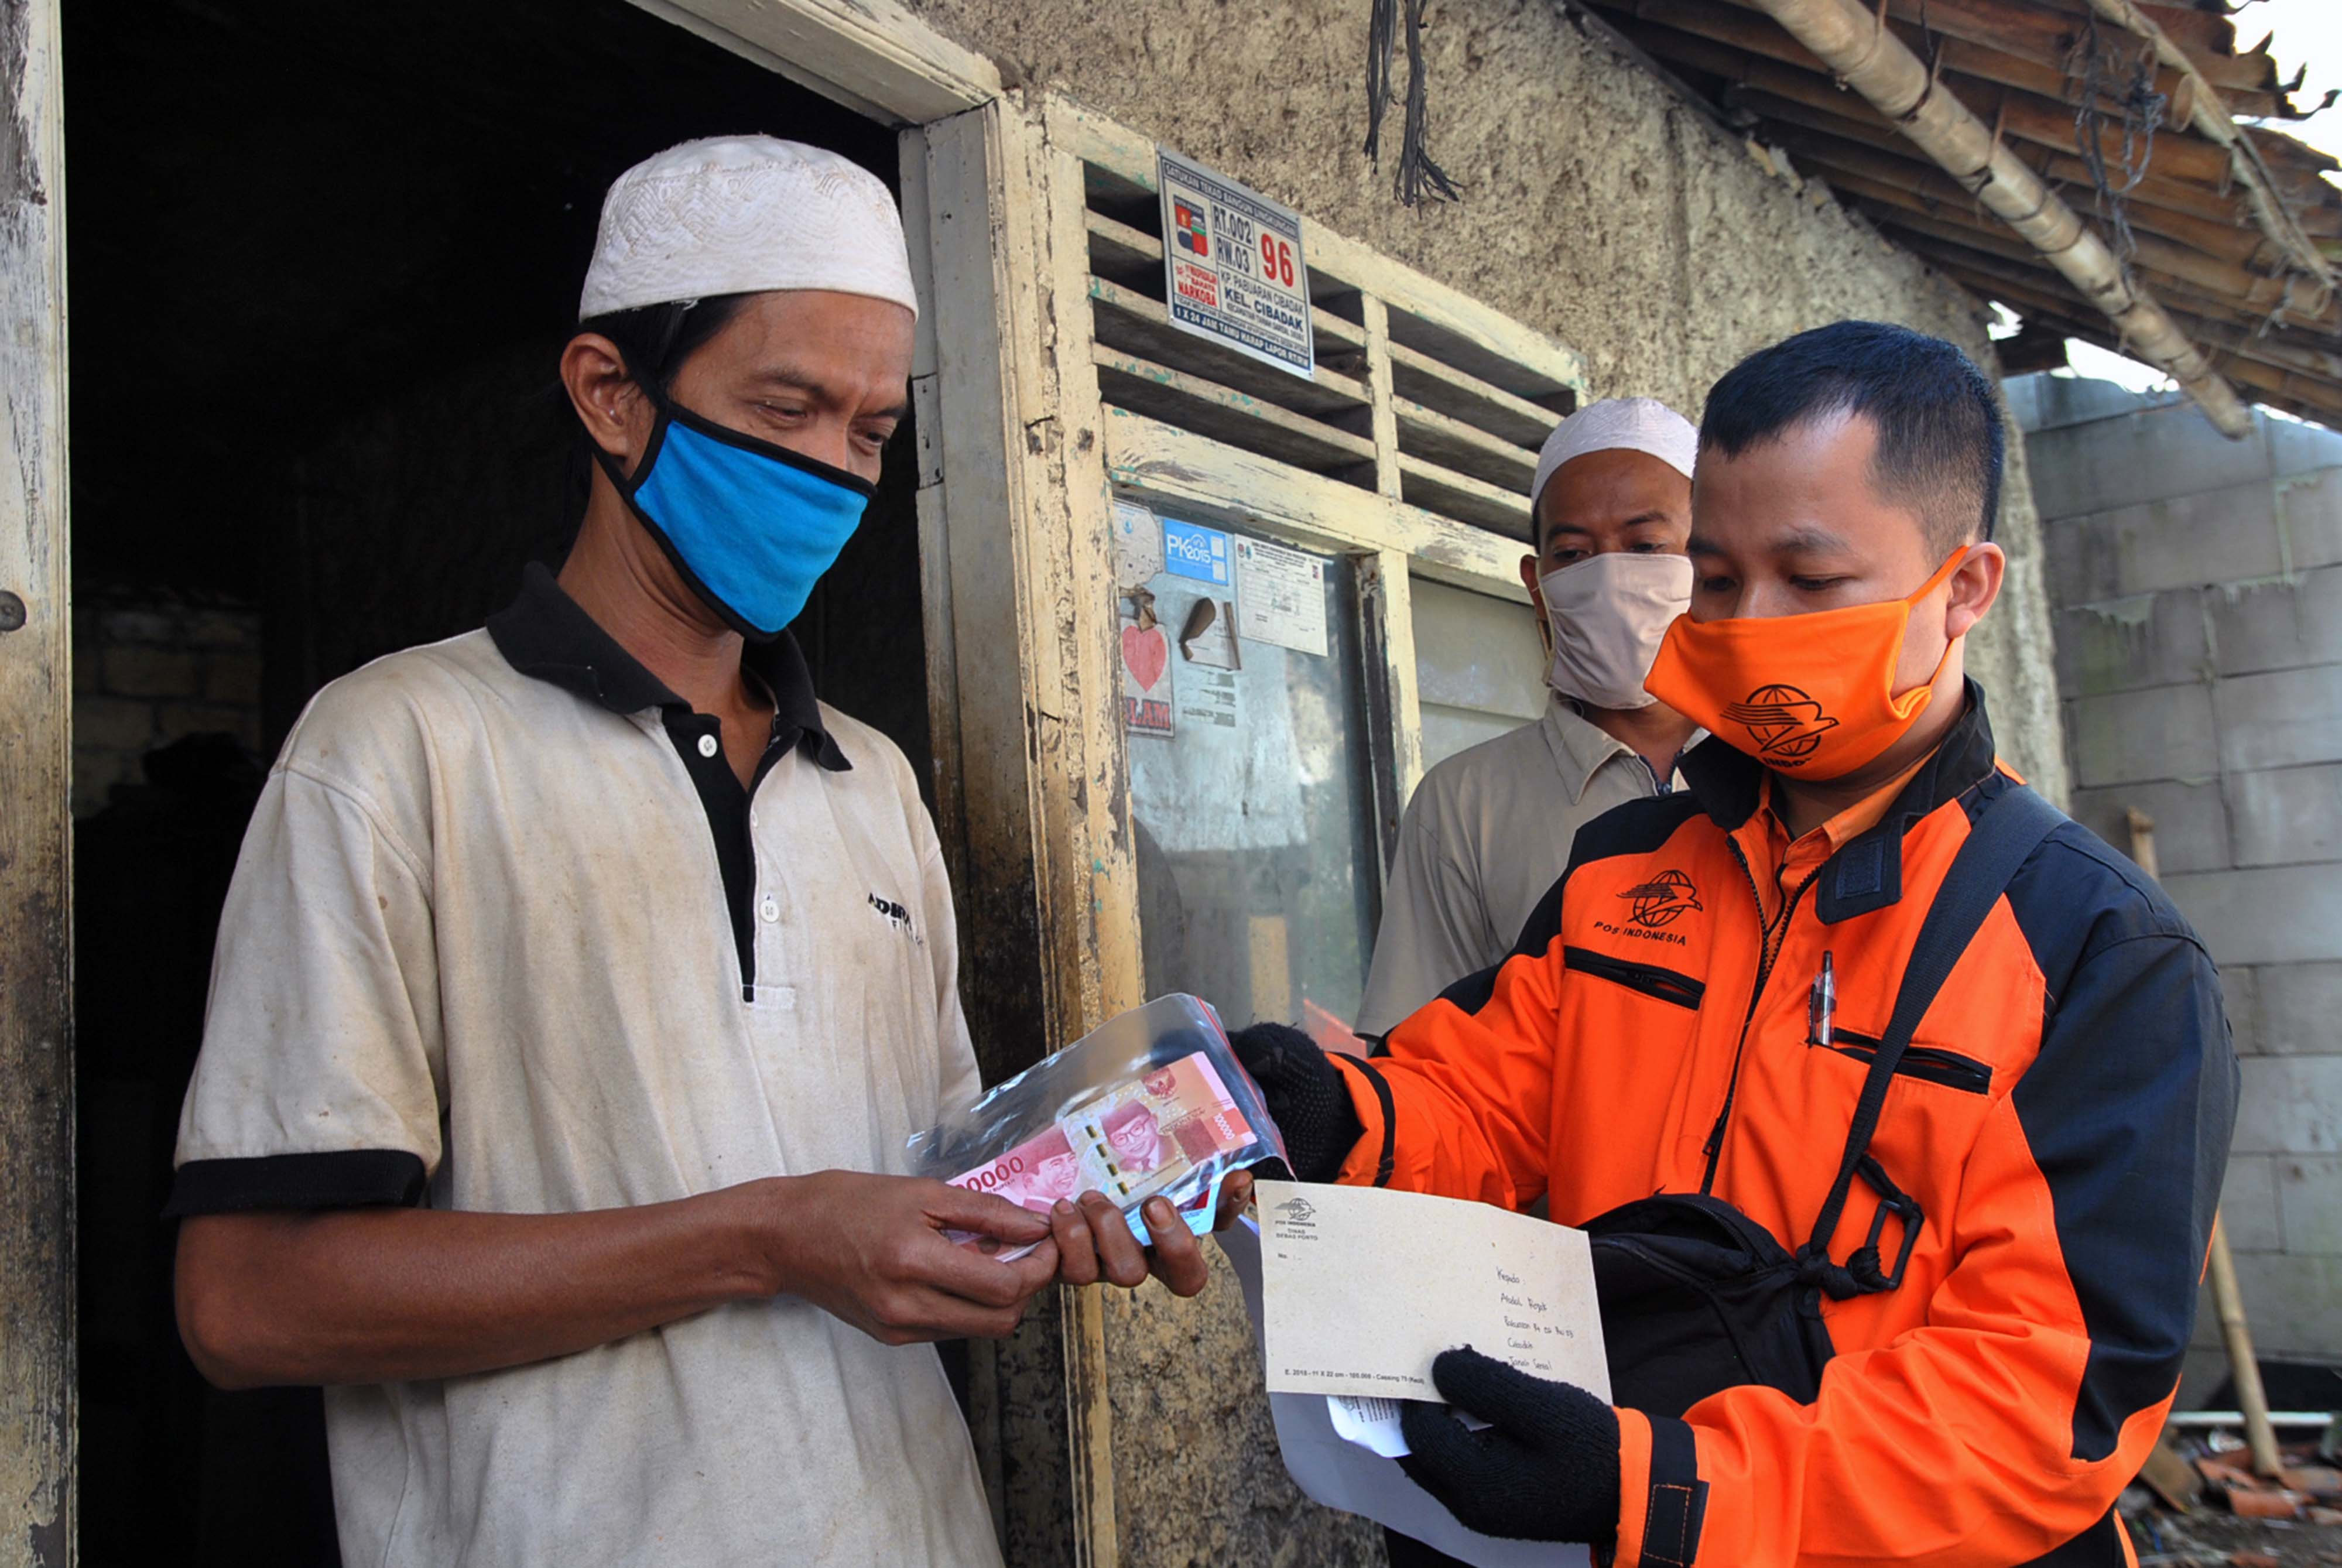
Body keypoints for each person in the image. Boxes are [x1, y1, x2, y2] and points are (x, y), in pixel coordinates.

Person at [165, 135, 1245, 1568]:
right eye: (785, 406)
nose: (829, 471)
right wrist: (765, 1237)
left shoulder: (873, 785)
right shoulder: (393, 749)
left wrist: (1078, 1199)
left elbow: (925, 1200)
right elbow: (247, 1303)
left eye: (865, 434)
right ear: (613, 395)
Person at [1238, 321, 2236, 1567]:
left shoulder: (2094, 951)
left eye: (1808, 582)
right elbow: (1484, 1099)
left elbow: (2047, 1411)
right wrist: (1337, 1111)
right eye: (1715, 579)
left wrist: (1665, 1486)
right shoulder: (1628, 871)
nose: (1749, 623)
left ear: (1964, 590)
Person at [1357, 398, 1700, 1039]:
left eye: (1645, 543)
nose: (1607, 576)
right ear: (1536, 583)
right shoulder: (1466, 802)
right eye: (1572, 553)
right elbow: (1418, 1055)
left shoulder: (1788, 772)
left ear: (1711, 560)